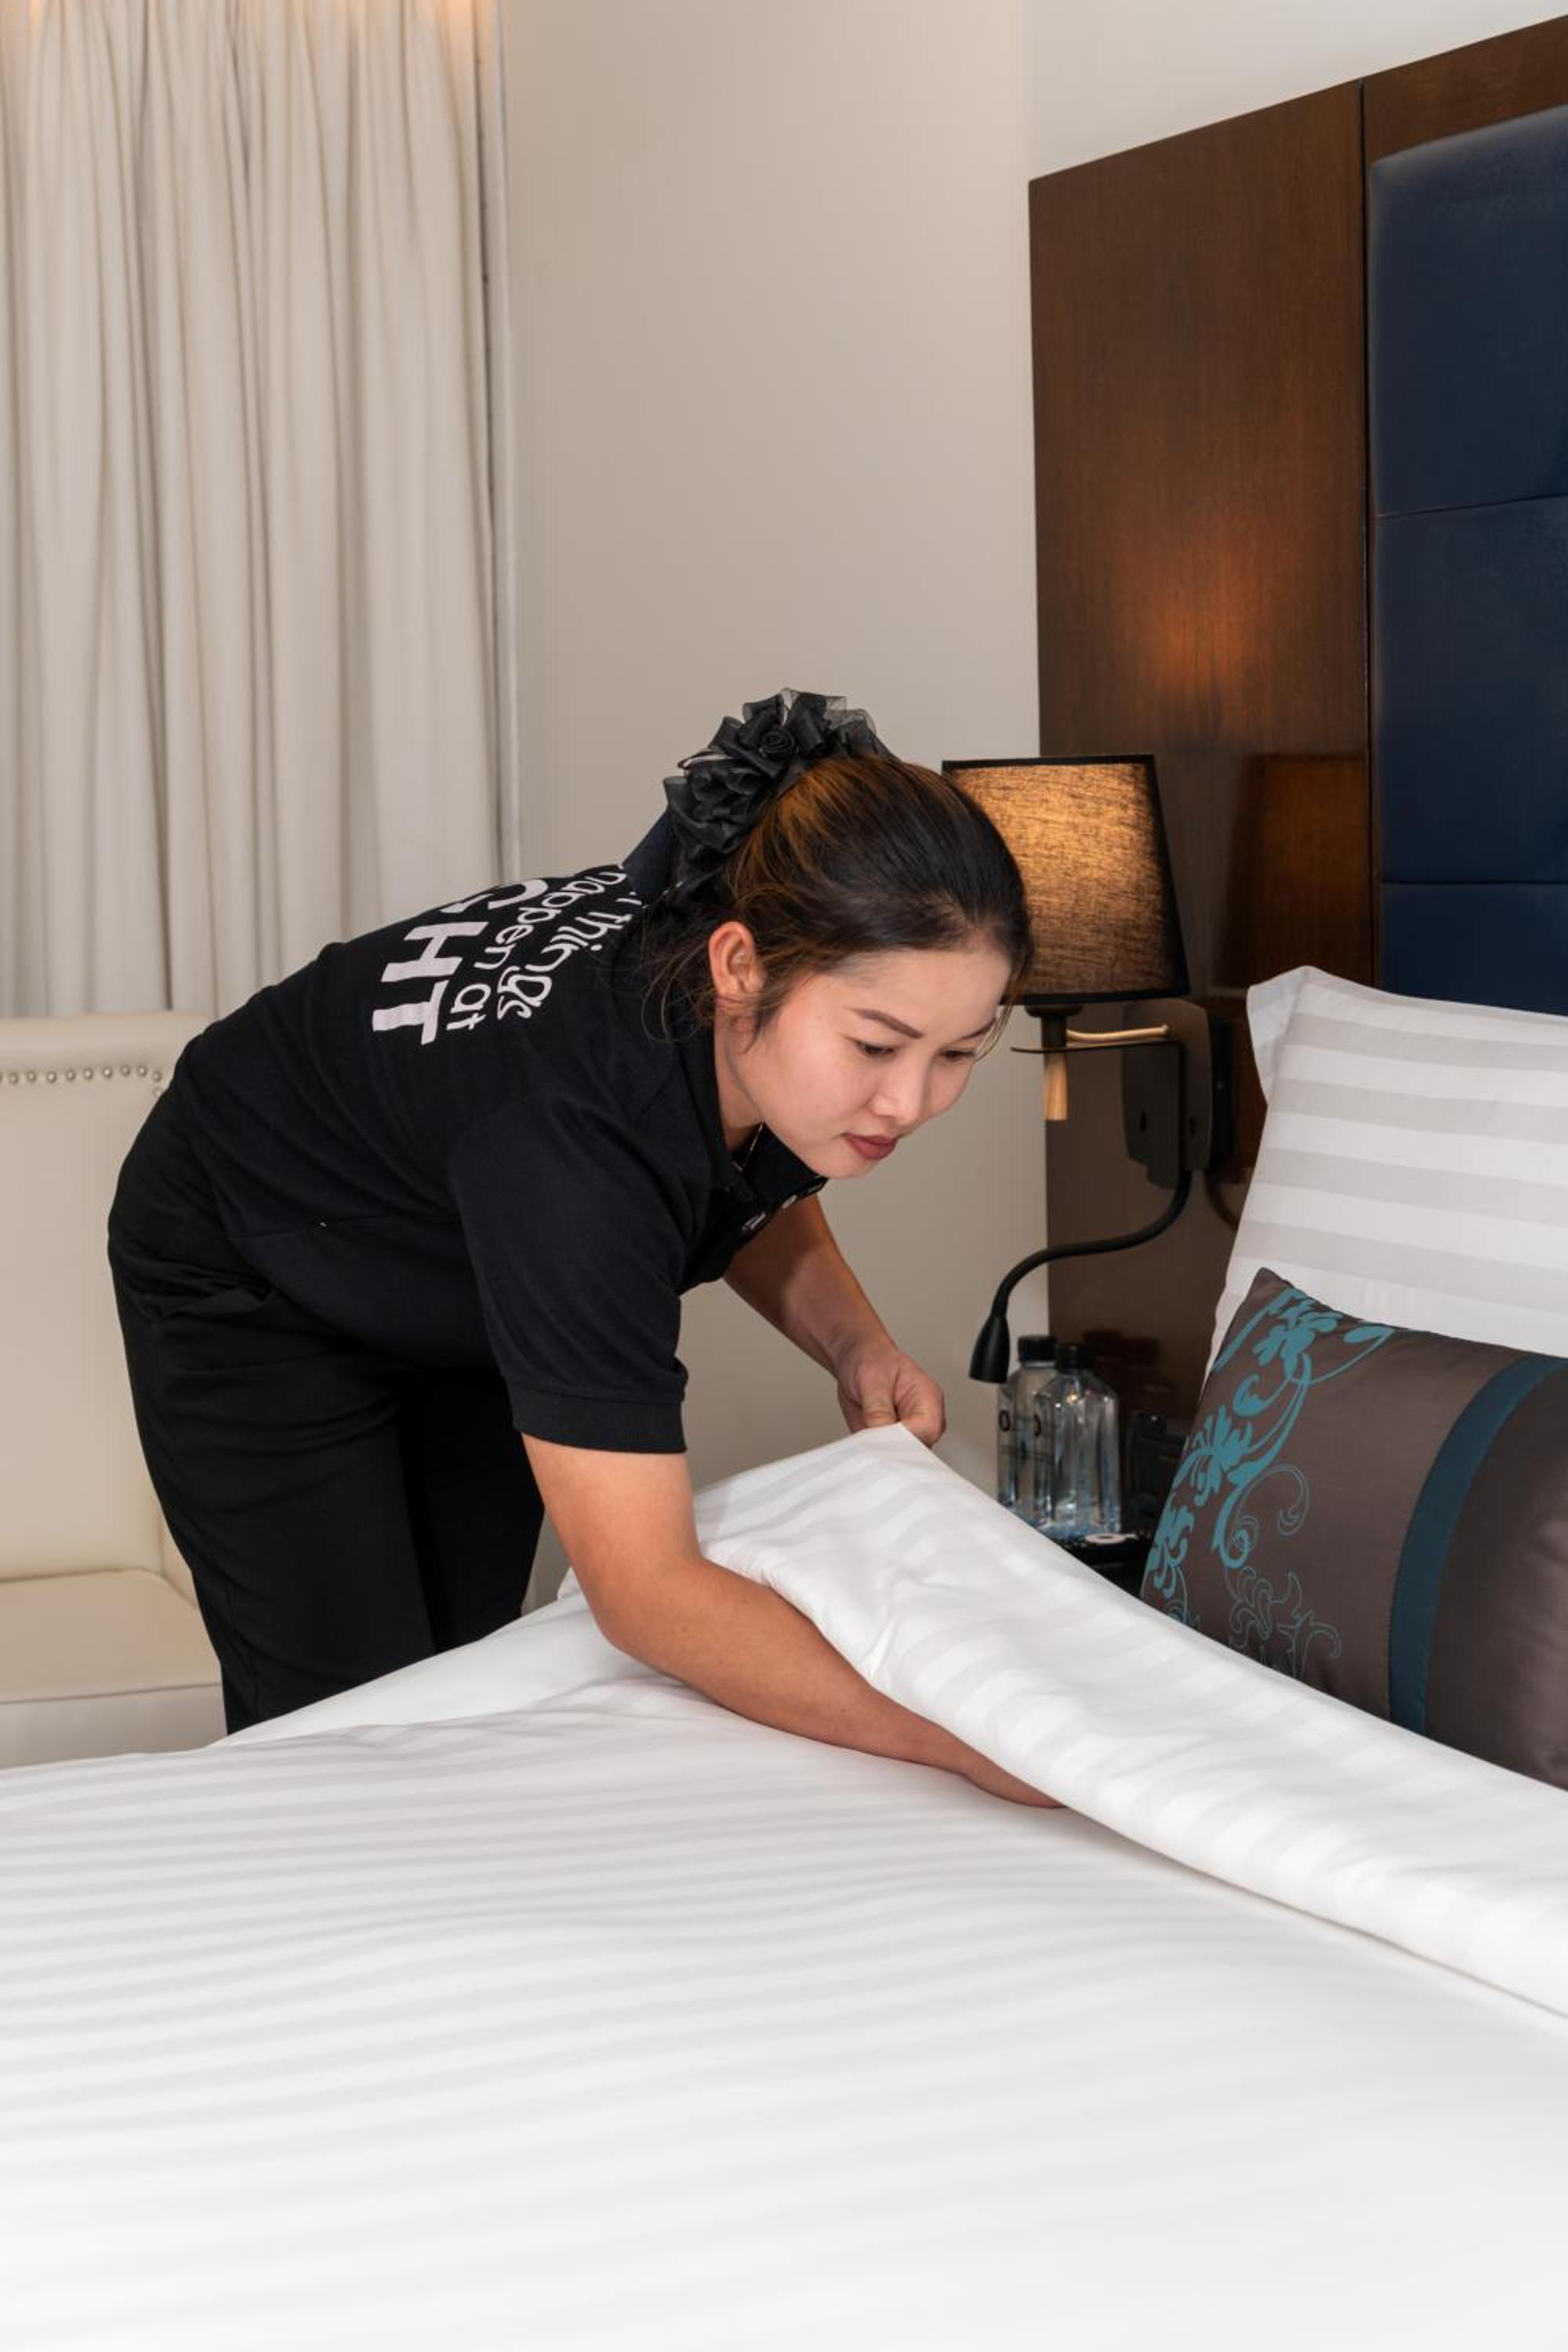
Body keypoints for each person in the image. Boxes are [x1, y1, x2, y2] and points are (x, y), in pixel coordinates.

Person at [107, 688, 1056, 1806]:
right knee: (347, 1725)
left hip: (456, 1238)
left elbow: (728, 1176)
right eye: (878, 1047)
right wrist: (968, 1741)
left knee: (460, 1676)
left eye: (958, 1053)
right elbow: (648, 1598)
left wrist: (856, 1345)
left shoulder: (726, 981)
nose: (908, 1103)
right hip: (248, 1250)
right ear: (740, 967)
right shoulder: (574, 1153)